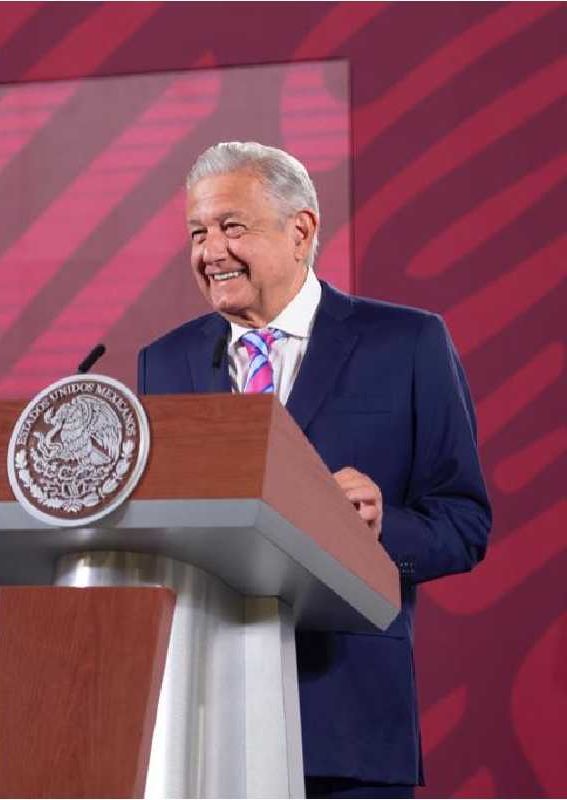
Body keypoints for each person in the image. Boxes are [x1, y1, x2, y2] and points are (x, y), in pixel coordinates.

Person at [138, 142, 491, 798]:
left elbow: (463, 521)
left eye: (231, 227)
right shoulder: (164, 364)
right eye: (197, 233)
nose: (210, 251)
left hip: (346, 727)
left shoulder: (407, 344)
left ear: (301, 230)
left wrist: (380, 526)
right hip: (201, 723)